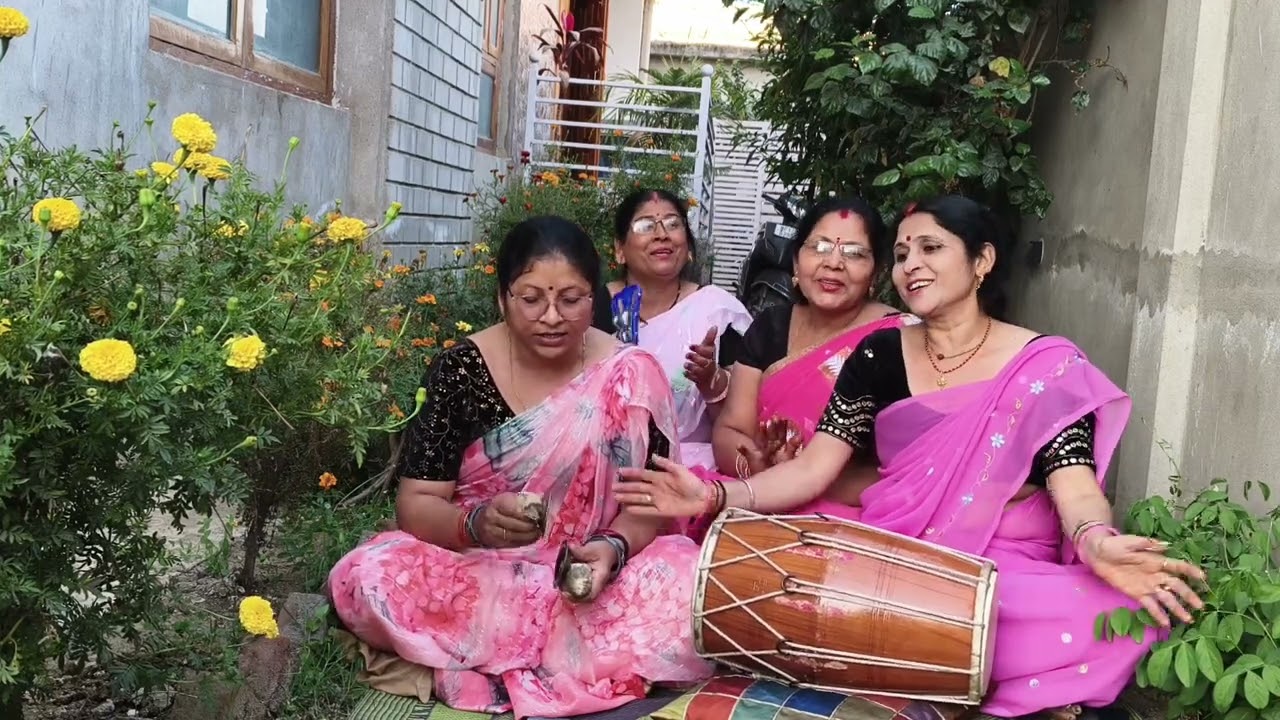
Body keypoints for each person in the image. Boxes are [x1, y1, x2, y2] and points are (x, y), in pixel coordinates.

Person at [613, 196, 1206, 717]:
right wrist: (716, 493)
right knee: (777, 561)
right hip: (891, 541)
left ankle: (905, 650)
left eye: (930, 248)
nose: (911, 266)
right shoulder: (877, 355)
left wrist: (1097, 540)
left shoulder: (1043, 366)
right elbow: (816, 469)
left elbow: (1072, 486)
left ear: (982, 262)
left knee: (1121, 611)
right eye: (901, 254)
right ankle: (917, 650)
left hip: (1000, 561)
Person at [329, 216, 712, 718]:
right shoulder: (461, 370)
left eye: (571, 299)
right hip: (478, 569)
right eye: (531, 299)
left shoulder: (630, 373)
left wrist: (609, 549)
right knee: (371, 576)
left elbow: (652, 502)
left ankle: (504, 648)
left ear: (594, 299)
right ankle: (571, 654)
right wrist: (475, 524)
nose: (551, 316)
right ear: (502, 298)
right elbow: (417, 503)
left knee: (688, 585)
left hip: (593, 578)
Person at [592, 188, 753, 468]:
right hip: (599, 466)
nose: (661, 234)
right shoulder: (592, 308)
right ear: (620, 250)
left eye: (673, 223)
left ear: (688, 246)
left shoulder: (716, 311)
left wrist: (711, 383)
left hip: (693, 470)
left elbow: (740, 425)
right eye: (645, 225)